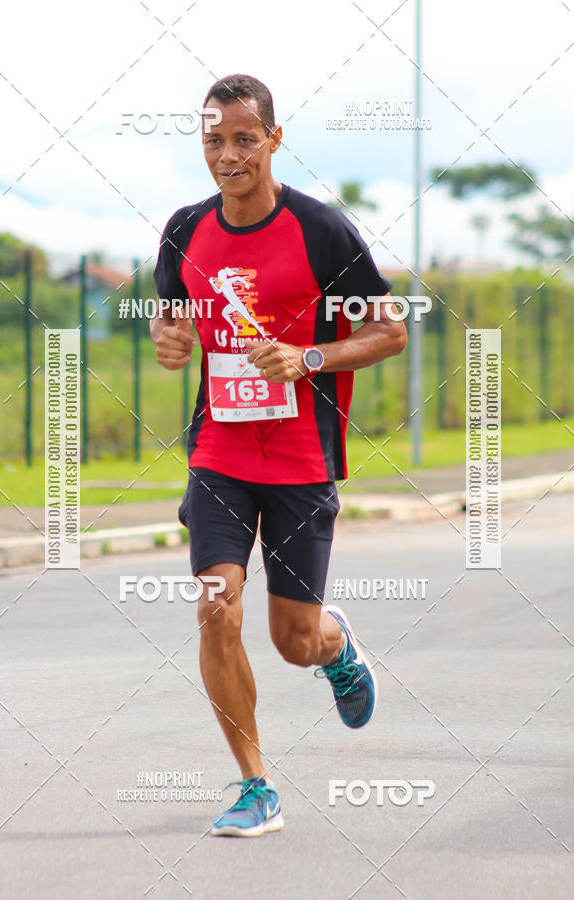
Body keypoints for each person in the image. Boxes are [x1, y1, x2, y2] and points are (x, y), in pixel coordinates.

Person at [151, 73, 407, 838]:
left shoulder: (321, 230)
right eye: (213, 141)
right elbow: (172, 323)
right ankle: (255, 785)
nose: (228, 155)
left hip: (299, 460)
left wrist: (311, 359)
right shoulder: (183, 230)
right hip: (220, 453)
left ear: (273, 139)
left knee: (292, 642)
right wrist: (168, 342)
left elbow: (389, 332)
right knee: (213, 605)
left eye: (243, 138)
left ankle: (336, 645)